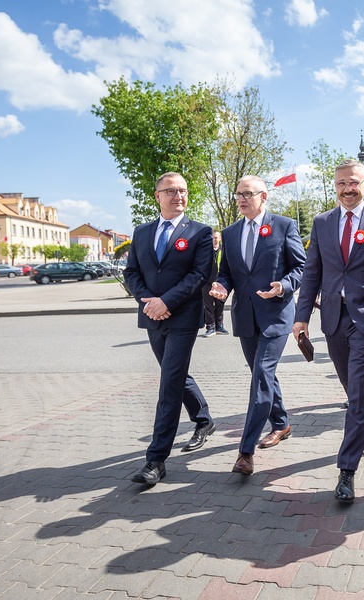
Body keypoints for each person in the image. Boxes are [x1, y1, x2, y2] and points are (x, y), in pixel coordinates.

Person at [293, 159, 364, 504]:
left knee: (357, 390)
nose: (347, 189)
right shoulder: (322, 222)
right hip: (333, 319)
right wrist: (301, 316)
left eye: (353, 183)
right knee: (349, 385)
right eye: (341, 183)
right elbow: (312, 272)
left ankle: (347, 469)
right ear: (334, 186)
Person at [124, 172, 216, 485]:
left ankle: (156, 459)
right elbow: (131, 272)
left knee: (168, 383)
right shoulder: (142, 232)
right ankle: (203, 419)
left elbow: (199, 274)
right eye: (171, 191)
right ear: (157, 196)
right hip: (152, 315)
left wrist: (166, 302)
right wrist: (146, 299)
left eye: (183, 191)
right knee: (174, 374)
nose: (178, 196)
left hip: (183, 317)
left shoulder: (200, 232)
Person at [210, 176, 305, 475]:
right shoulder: (230, 232)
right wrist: (222, 286)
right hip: (245, 316)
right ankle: (281, 423)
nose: (241, 199)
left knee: (261, 375)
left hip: (276, 315)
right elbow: (227, 272)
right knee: (262, 374)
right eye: (237, 194)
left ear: (263, 197)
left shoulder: (284, 225)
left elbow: (301, 267)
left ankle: (245, 452)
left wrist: (283, 286)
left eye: (247, 194)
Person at [200, 230, 228, 337]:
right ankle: (210, 327)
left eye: (216, 237)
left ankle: (219, 326)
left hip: (220, 283)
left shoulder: (224, 250)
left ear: (220, 239)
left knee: (220, 305)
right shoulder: (206, 250)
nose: (214, 240)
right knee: (208, 306)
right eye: (213, 238)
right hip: (207, 282)